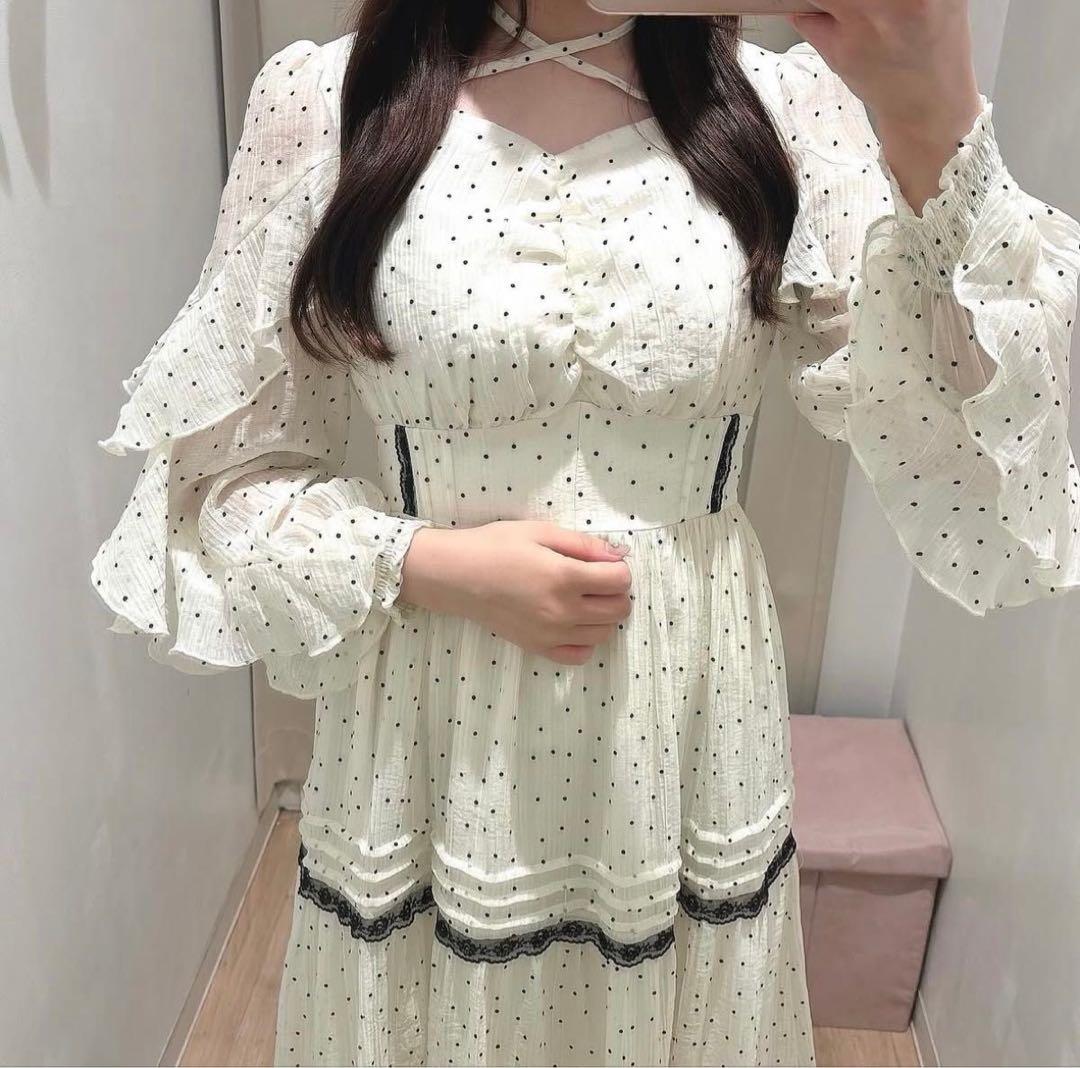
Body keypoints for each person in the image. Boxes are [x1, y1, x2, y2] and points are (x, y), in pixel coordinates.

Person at [90, 1, 1080, 1064]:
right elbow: (214, 488)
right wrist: (427, 563)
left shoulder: (787, 108)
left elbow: (980, 455)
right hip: (434, 723)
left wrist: (932, 116)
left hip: (685, 724)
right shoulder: (330, 100)